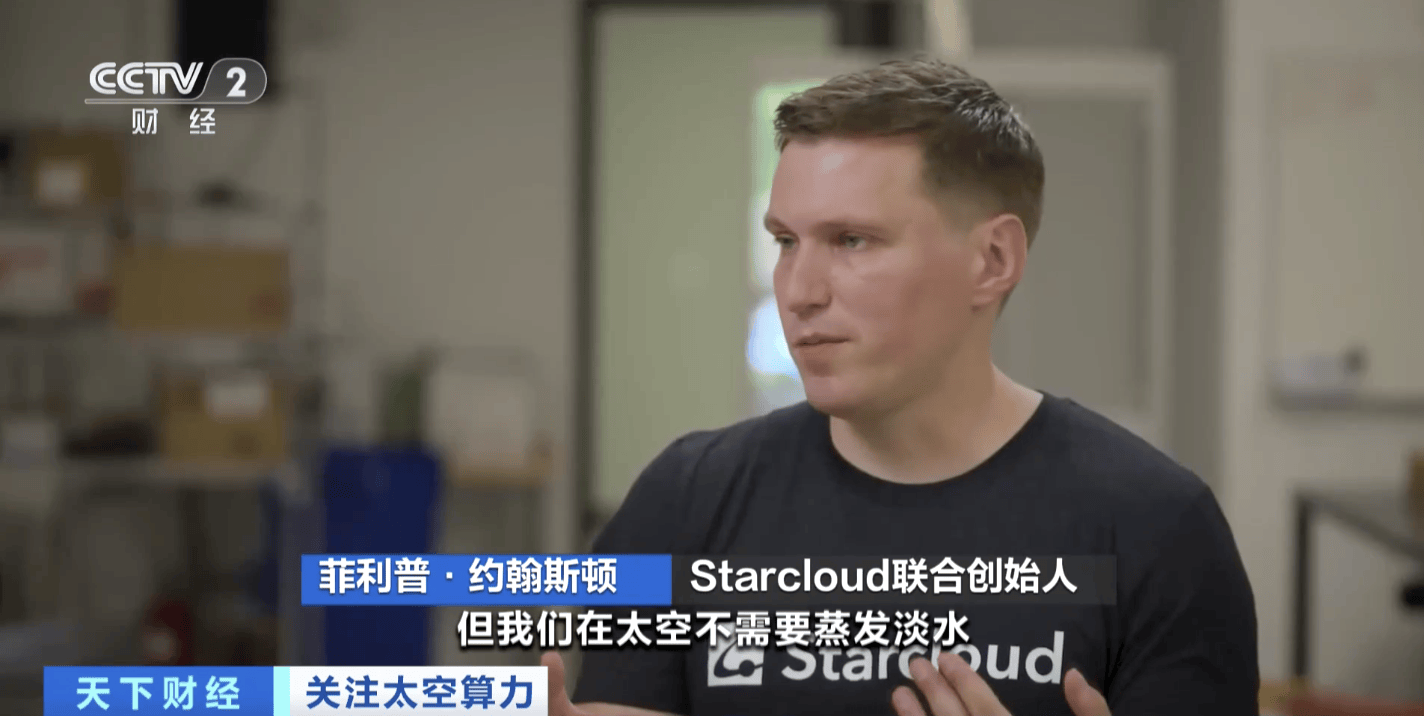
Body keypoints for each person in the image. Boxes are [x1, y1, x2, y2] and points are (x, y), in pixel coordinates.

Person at [542, 56, 1259, 716]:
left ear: (992, 260)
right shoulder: (686, 500)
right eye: (787, 241)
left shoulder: (1158, 531)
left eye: (852, 241)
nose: (799, 291)